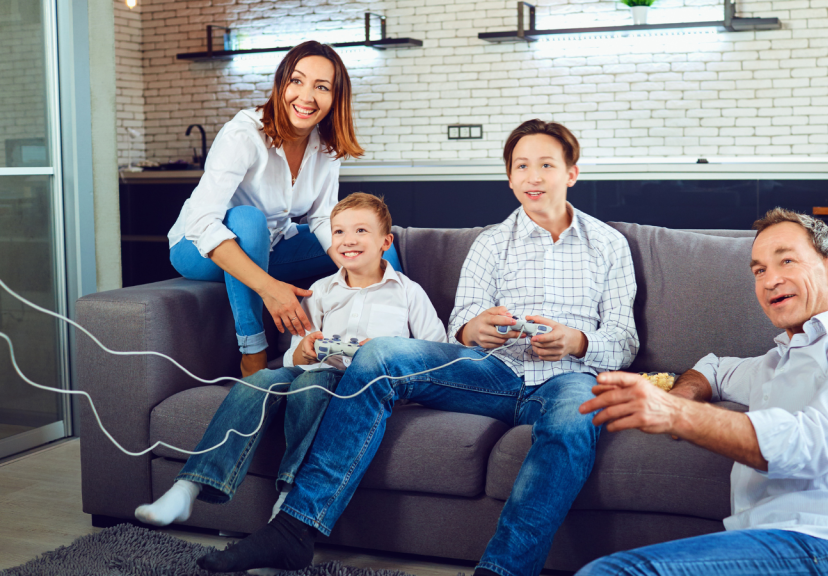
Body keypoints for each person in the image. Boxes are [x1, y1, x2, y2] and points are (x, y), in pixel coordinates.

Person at [194, 119, 641, 574]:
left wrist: (578, 340)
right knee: (381, 353)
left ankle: (503, 569)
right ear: (509, 177)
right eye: (521, 166)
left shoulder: (609, 245)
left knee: (576, 417)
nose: (533, 176)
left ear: (571, 173)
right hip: (491, 373)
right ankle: (294, 529)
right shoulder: (490, 244)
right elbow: (461, 324)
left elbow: (624, 338)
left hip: (569, 377)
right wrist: (473, 330)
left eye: (546, 164)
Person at [578, 208, 828, 576]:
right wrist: (682, 395)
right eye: (759, 270)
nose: (770, 280)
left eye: (787, 261)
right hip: (761, 539)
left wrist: (673, 413)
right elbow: (712, 368)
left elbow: (809, 444)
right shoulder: (775, 362)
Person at [135, 193, 446, 527]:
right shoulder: (322, 290)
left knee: (314, 381)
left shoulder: (408, 292)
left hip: (364, 386)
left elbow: (436, 353)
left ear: (385, 242)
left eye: (360, 231)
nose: (348, 240)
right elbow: (293, 357)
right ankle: (188, 488)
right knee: (261, 380)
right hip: (313, 370)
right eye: (338, 232)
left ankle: (288, 500)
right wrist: (307, 348)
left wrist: (382, 351)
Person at [167, 41, 366, 378]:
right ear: (281, 84)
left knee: (368, 240)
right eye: (297, 81)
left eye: (321, 87)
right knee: (248, 219)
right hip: (196, 247)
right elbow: (201, 222)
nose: (306, 96)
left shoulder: (326, 146)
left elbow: (321, 216)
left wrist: (356, 262)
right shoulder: (243, 134)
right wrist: (270, 288)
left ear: (335, 99)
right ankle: (253, 351)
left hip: (271, 246)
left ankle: (391, 342)